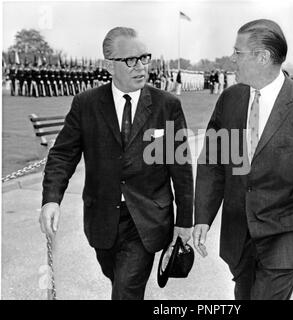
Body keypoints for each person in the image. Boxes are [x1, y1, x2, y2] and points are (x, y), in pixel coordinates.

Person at [193, 19, 293, 300]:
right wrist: (202, 215)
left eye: (237, 53)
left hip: (286, 233)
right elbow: (213, 163)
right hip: (239, 233)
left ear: (262, 57)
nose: (231, 59)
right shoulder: (230, 99)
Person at [39, 27, 193, 300]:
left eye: (145, 58)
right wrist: (51, 199)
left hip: (147, 218)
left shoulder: (166, 105)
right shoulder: (86, 104)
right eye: (131, 60)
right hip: (102, 218)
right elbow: (63, 154)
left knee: (126, 290)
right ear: (109, 66)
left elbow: (179, 167)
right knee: (117, 280)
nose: (141, 67)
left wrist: (184, 221)